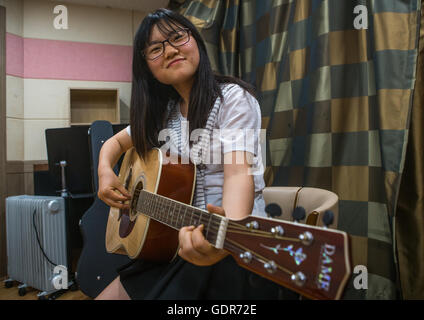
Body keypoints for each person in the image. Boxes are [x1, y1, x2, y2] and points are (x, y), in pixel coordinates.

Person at [95, 8, 298, 300]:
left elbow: (239, 174)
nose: (170, 50)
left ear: (196, 42)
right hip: (171, 246)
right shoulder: (163, 114)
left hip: (230, 250)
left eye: (177, 37)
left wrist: (225, 238)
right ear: (147, 67)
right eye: (155, 48)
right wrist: (105, 172)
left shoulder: (233, 98)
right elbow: (112, 144)